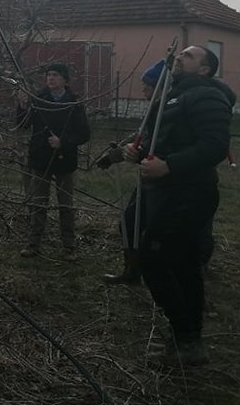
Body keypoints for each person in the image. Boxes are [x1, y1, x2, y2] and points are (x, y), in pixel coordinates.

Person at [123, 45, 233, 366]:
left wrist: (169, 166)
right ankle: (189, 341)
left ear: (205, 69)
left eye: (189, 56)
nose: (179, 58)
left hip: (190, 194)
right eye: (180, 54)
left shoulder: (206, 96)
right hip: (168, 192)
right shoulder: (174, 96)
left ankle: (186, 337)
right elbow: (163, 143)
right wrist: (138, 153)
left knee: (153, 260)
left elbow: (215, 145)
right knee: (184, 266)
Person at [97, 60, 166, 285]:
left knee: (154, 230)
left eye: (147, 85)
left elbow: (149, 144)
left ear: (158, 87)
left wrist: (127, 154)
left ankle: (159, 275)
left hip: (164, 182)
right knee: (129, 222)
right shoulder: (154, 109)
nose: (143, 89)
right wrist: (113, 155)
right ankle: (132, 270)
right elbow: (138, 137)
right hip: (147, 180)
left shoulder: (167, 111)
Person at [17, 62, 91, 260]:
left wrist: (63, 142)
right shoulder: (38, 99)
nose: (50, 78)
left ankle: (69, 246)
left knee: (65, 205)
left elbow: (84, 133)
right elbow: (23, 124)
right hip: (40, 158)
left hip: (64, 160)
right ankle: (33, 244)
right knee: (38, 203)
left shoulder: (74, 103)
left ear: (65, 80)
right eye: (49, 74)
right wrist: (23, 106)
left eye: (55, 75)